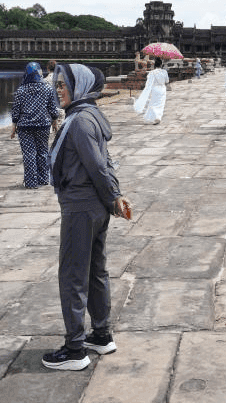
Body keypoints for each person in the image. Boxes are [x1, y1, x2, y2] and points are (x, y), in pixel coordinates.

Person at [42, 64, 131, 371]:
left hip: (81, 205)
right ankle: (102, 334)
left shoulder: (79, 122)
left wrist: (113, 196)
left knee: (72, 274)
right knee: (95, 269)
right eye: (57, 84)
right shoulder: (89, 114)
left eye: (64, 84)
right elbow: (104, 162)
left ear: (80, 86)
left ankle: (75, 348)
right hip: (92, 204)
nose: (58, 89)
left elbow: (96, 166)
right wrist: (113, 196)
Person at [10, 62, 59, 188]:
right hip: (43, 125)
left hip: (25, 126)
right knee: (42, 152)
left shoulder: (21, 90)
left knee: (29, 154)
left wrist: (14, 125)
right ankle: (43, 179)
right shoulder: (47, 88)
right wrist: (55, 121)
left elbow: (16, 110)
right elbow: (53, 109)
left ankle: (31, 182)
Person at [133, 56, 170, 125]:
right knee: (160, 104)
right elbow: (167, 82)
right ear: (161, 65)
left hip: (155, 89)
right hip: (162, 89)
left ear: (154, 65)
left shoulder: (152, 73)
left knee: (153, 103)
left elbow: (148, 83)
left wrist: (147, 90)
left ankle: (156, 117)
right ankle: (158, 117)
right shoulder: (164, 72)